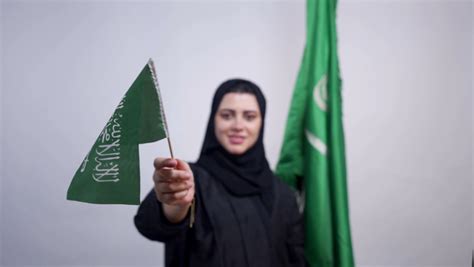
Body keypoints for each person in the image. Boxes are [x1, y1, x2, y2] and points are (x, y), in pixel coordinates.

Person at [134, 79, 306, 267]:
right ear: (213, 120)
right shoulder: (188, 179)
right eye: (227, 115)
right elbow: (152, 226)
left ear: (261, 123)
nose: (238, 125)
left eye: (249, 117)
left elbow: (296, 260)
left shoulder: (283, 194)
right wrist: (174, 201)